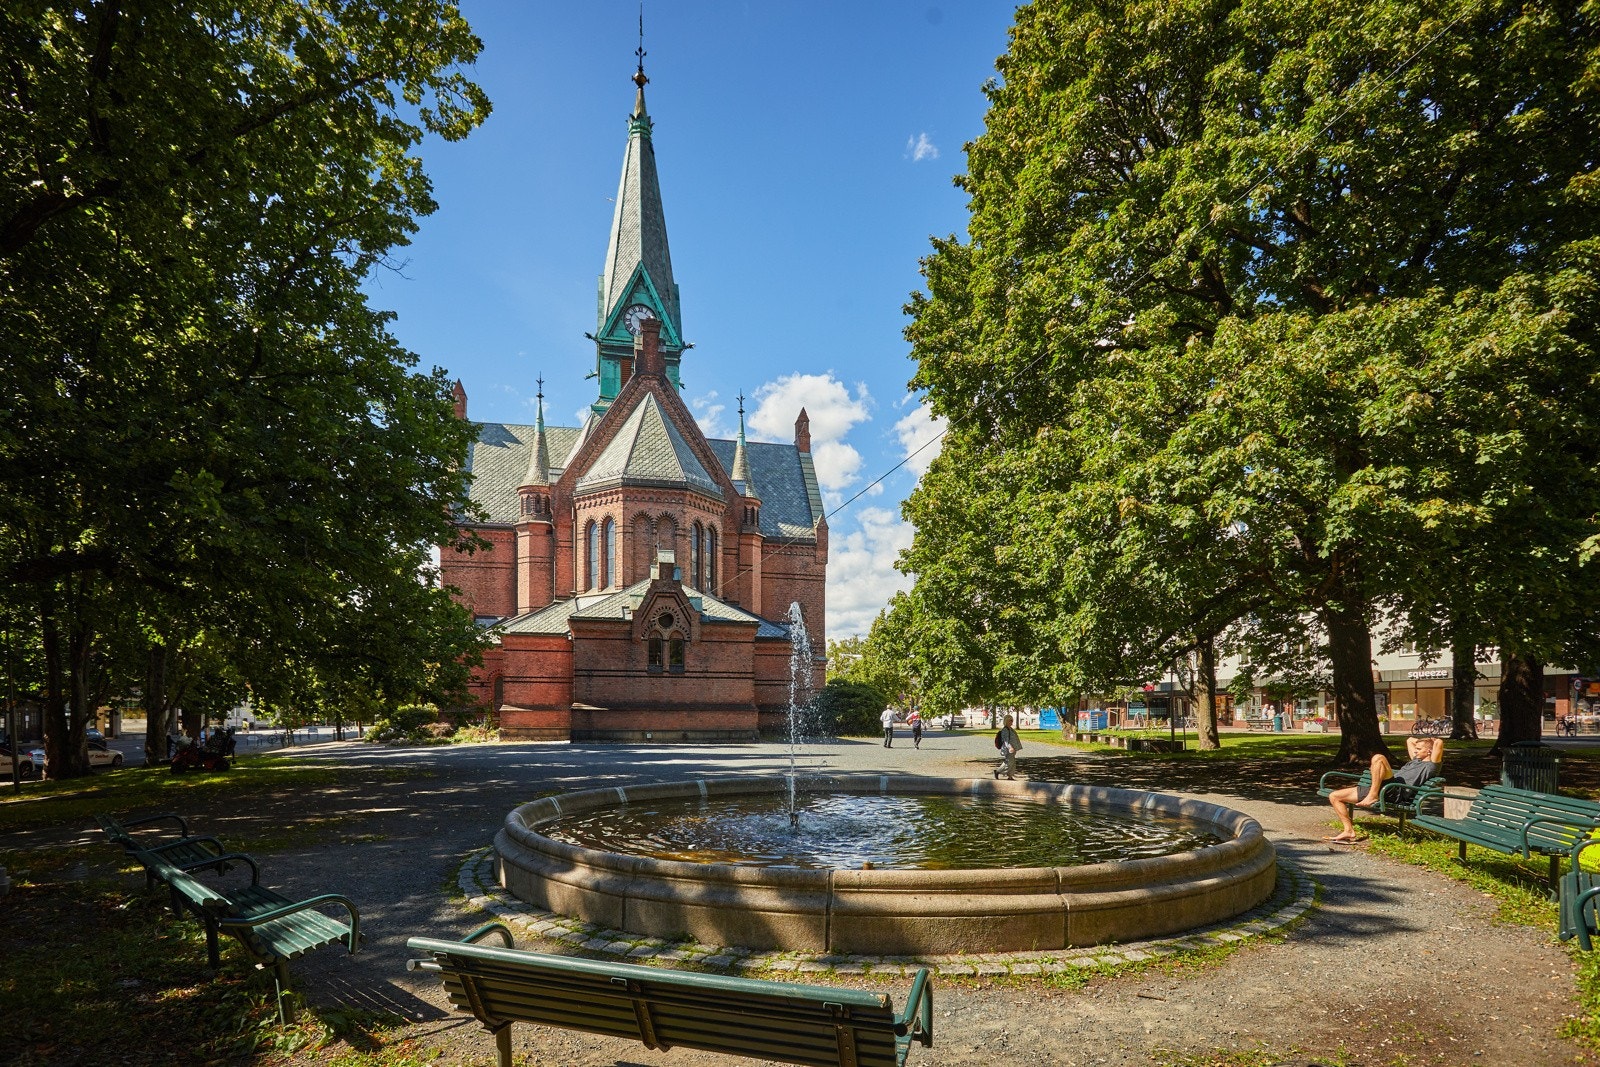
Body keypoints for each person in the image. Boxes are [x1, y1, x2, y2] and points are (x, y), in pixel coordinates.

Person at [1327, 735, 1445, 843]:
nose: (1415, 750)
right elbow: (1409, 740)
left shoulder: (1431, 766)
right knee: (1334, 796)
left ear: (1429, 751)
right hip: (1385, 789)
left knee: (1379, 758)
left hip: (1396, 792)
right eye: (1416, 748)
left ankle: (1373, 795)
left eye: (1419, 749)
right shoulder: (1415, 761)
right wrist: (1424, 743)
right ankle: (1349, 831)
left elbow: (1439, 742)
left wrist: (1432, 741)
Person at [993, 714, 1022, 779]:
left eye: (1012, 720)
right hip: (1009, 749)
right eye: (1010, 720)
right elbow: (1006, 740)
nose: (1012, 722)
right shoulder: (1005, 730)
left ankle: (1010, 776)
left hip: (1013, 748)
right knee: (1009, 762)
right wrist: (1010, 747)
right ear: (1006, 721)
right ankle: (998, 771)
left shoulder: (1011, 729)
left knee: (1013, 762)